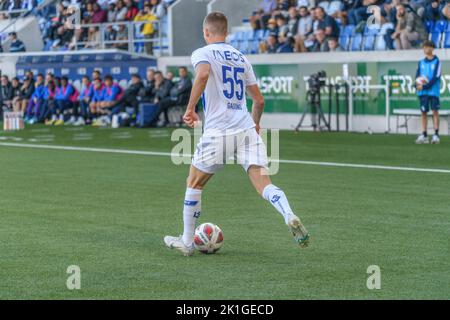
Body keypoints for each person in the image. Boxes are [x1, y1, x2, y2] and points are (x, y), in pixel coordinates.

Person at [164, 12, 310, 256]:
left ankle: (187, 241)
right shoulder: (242, 58)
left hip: (219, 130)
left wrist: (190, 109)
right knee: (264, 184)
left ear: (206, 32)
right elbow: (259, 100)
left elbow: (201, 75)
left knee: (194, 182)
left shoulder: (202, 52)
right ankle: (289, 214)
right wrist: (255, 125)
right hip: (245, 128)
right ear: (227, 33)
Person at [415, 41, 441, 145]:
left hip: (433, 92)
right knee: (423, 113)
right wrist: (416, 85)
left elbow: (436, 77)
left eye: (429, 47)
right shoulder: (420, 62)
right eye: (425, 47)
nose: (426, 49)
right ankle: (424, 134)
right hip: (423, 93)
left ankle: (436, 135)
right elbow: (417, 76)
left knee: (435, 112)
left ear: (433, 48)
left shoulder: (437, 61)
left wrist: (424, 86)